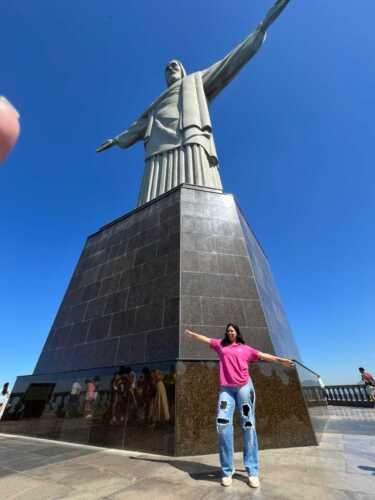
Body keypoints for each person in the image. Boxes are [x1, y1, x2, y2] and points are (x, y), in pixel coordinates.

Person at [97, 0, 290, 207]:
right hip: (158, 143)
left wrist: (259, 31)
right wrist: (117, 140)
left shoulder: (195, 81)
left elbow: (227, 64)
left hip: (188, 133)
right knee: (153, 192)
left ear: (182, 71)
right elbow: (138, 126)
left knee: (196, 181)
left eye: (174, 66)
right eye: (167, 69)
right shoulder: (155, 105)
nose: (170, 69)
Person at [185, 324, 294, 488]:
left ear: (237, 333)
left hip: (244, 387)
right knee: (222, 423)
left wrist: (281, 361)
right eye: (228, 330)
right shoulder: (220, 345)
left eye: (232, 330)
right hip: (226, 390)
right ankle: (227, 470)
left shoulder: (245, 349)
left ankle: (252, 471)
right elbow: (207, 339)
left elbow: (263, 355)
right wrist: (193, 335)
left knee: (248, 424)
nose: (230, 332)